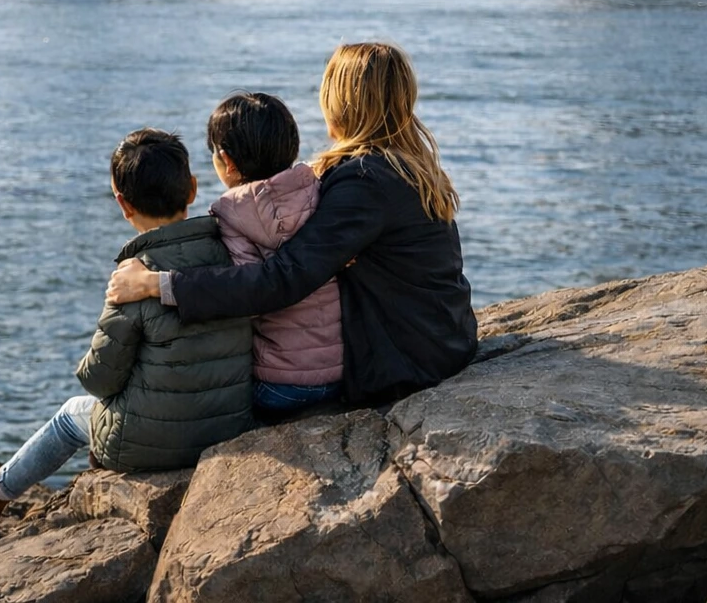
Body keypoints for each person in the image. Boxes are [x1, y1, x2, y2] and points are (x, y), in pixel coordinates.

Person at [108, 43, 477, 409]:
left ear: (340, 101)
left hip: (407, 361)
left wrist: (159, 284)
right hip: (441, 337)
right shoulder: (405, 165)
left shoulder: (365, 181)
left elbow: (282, 279)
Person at [0, 129, 251, 543]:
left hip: (153, 441)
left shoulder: (134, 276)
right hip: (228, 426)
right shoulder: (232, 250)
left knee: (73, 413)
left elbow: (99, 379)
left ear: (123, 205)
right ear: (193, 189)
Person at [206, 92, 344, 415]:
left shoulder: (231, 212)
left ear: (226, 161)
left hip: (281, 386)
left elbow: (249, 299)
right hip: (344, 371)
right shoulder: (317, 187)